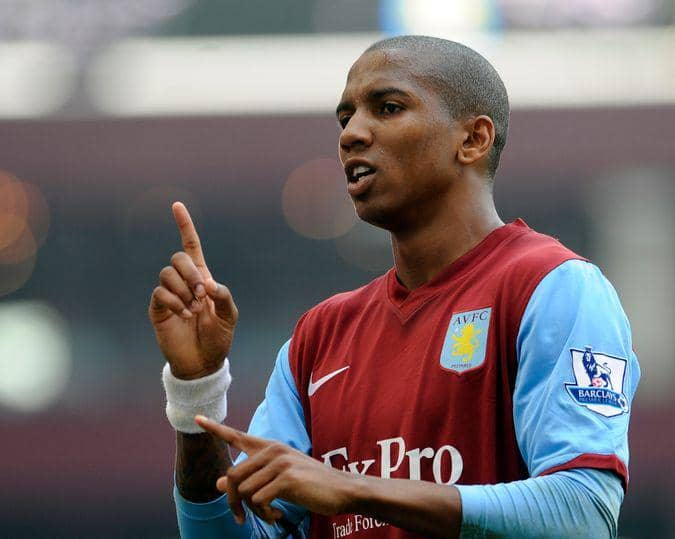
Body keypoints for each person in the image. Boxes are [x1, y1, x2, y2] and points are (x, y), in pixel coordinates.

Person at [150, 35, 640, 538]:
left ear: (473, 140)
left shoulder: (553, 287)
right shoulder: (319, 338)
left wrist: (354, 489)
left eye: (387, 107)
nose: (352, 134)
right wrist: (196, 392)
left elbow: (583, 514)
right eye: (345, 118)